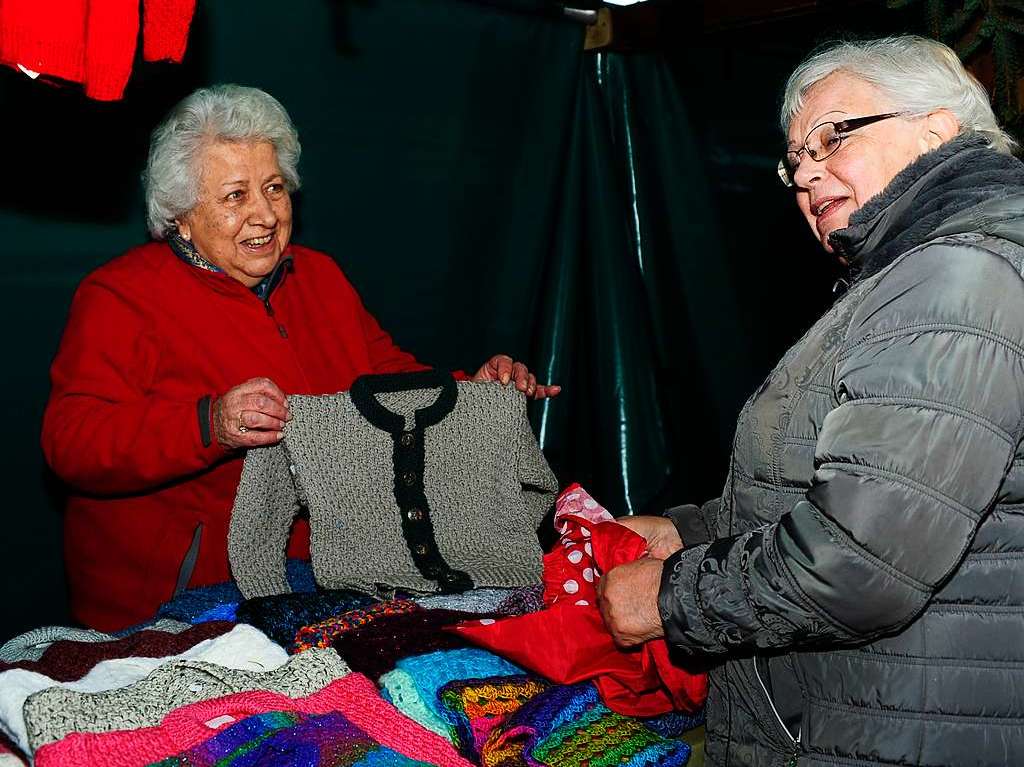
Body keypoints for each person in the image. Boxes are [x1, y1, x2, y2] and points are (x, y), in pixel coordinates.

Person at [598, 35, 1024, 766]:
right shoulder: (916, 271)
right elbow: (849, 492)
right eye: (793, 159)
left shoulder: (956, 274)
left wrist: (668, 598)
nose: (805, 173)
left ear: (937, 130)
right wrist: (689, 533)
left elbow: (862, 563)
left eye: (832, 136)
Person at [42, 84, 559, 632]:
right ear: (181, 216)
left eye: (273, 188)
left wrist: (470, 389)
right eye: (236, 196)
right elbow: (72, 440)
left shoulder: (321, 278)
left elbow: (386, 380)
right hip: (175, 600)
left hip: (321, 578)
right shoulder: (121, 296)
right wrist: (208, 423)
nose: (265, 214)